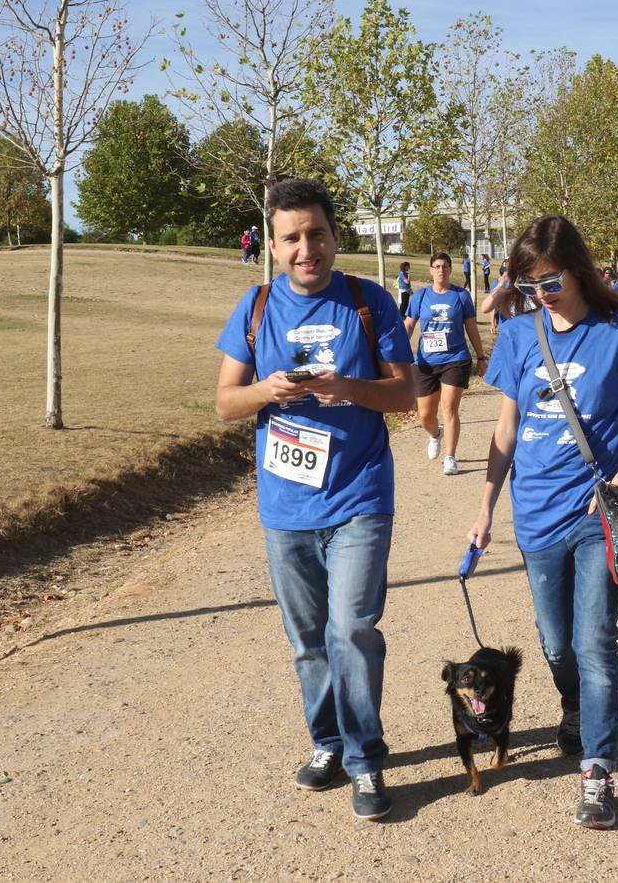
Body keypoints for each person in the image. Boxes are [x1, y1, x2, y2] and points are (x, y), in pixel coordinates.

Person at [213, 177, 415, 821]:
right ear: (271, 245)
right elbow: (224, 403)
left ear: (335, 236)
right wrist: (270, 391)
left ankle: (365, 762)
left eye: (317, 234)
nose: (307, 248)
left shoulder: (368, 302)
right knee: (308, 640)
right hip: (286, 506)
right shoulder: (254, 307)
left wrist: (348, 388)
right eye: (292, 238)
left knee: (351, 628)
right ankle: (327, 744)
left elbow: (405, 395)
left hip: (359, 495)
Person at [468, 213, 618, 830]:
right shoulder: (521, 335)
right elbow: (505, 426)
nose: (538, 296)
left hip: (594, 514)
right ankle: (574, 704)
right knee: (555, 644)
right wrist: (485, 506)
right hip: (534, 512)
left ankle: (598, 772)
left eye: (548, 282)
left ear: (578, 271)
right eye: (527, 286)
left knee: (595, 642)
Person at [404, 252, 487, 475]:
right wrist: (398, 352)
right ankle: (435, 434)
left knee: (449, 408)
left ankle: (450, 457)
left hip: (455, 359)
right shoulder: (420, 296)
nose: (441, 270)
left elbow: (471, 327)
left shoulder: (461, 296)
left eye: (445, 266)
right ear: (431, 270)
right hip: (425, 362)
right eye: (437, 266)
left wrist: (480, 357)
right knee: (424, 415)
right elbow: (409, 325)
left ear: (451, 270)